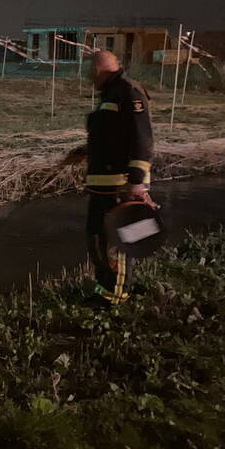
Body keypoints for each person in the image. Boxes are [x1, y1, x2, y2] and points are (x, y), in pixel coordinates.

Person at [64, 50, 155, 306]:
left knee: (117, 240)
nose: (88, 79)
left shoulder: (128, 92)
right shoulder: (112, 93)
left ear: (96, 70)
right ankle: (106, 287)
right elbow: (111, 136)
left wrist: (136, 182)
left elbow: (142, 140)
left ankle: (115, 294)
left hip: (120, 185)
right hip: (104, 185)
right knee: (97, 237)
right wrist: (84, 152)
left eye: (89, 73)